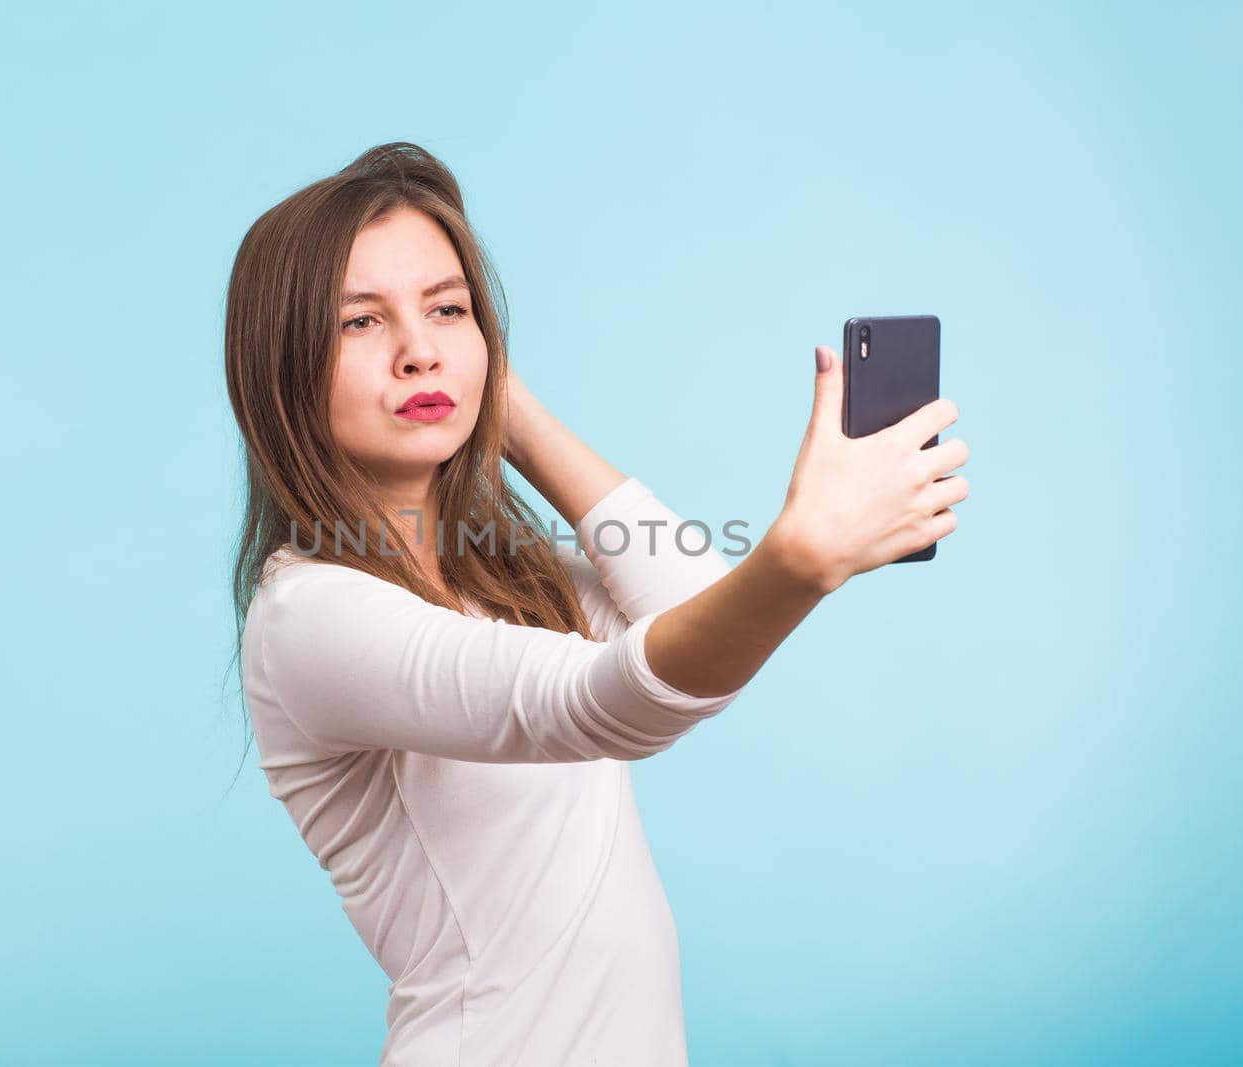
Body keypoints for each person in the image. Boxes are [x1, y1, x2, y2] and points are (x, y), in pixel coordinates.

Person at [222, 142, 968, 1066]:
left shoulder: (505, 577)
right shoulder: (313, 618)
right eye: (360, 323)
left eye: (449, 309)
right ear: (280, 368)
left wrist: (512, 415)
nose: (421, 351)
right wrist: (797, 559)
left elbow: (695, 607)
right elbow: (610, 703)